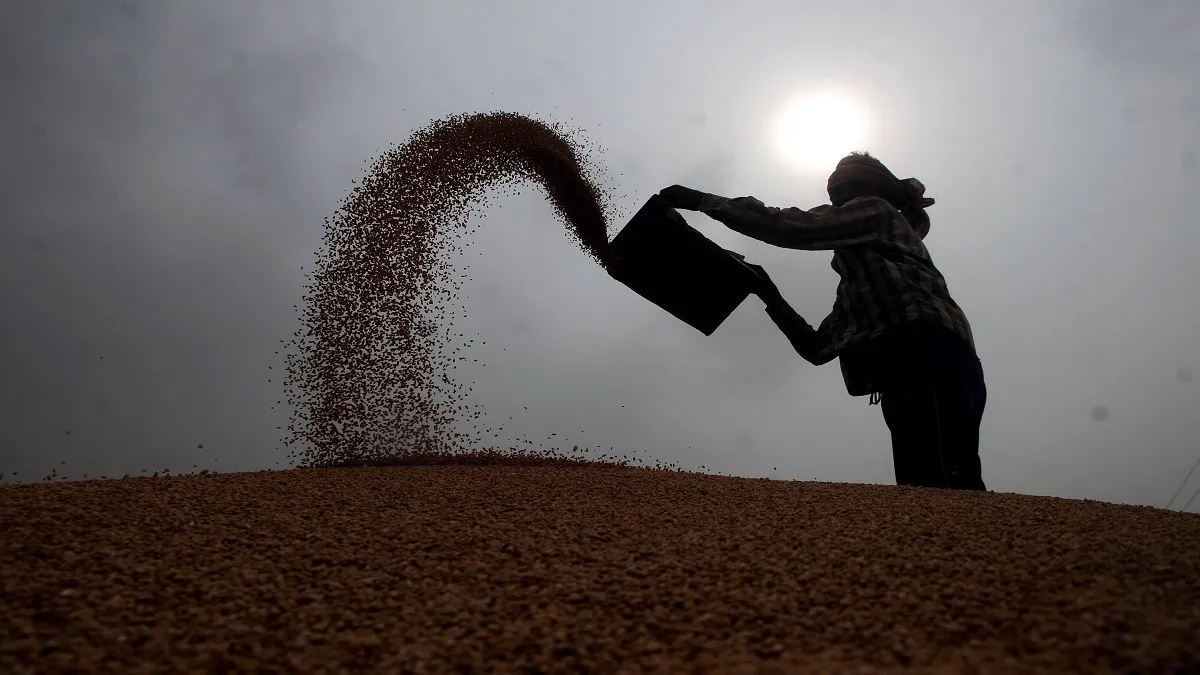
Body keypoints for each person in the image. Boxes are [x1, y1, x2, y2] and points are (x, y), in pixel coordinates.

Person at [657, 152, 986, 491]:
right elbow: (816, 348)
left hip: (927, 347)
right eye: (834, 197)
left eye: (843, 195)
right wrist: (766, 291)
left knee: (938, 475)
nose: (838, 205)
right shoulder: (859, 291)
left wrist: (704, 201)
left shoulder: (877, 210)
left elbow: (792, 226)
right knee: (929, 475)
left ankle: (961, 539)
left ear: (869, 188)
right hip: (914, 359)